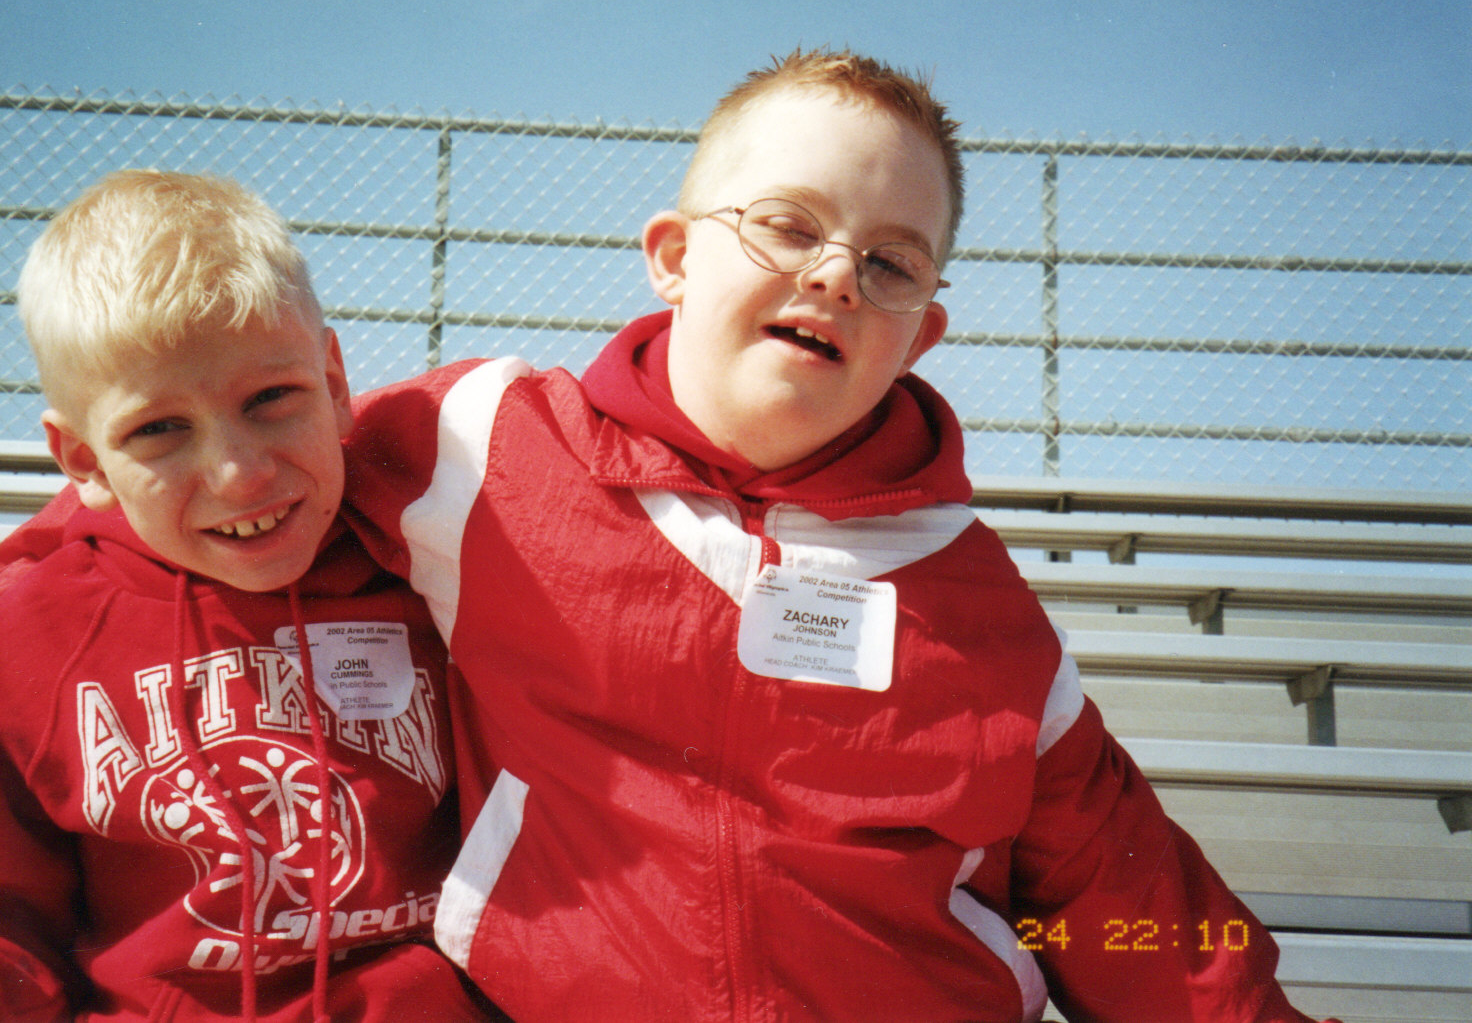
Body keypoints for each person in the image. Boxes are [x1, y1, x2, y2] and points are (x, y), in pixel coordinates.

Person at [342, 50, 1324, 1022]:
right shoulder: (482, 447)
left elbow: (1124, 906)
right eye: (786, 224)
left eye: (889, 262)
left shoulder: (979, 613)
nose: (835, 275)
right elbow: (238, 483)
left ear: (918, 335)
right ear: (674, 257)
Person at [0, 171, 491, 1022]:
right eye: (158, 429)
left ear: (336, 383)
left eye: (271, 399)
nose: (239, 473)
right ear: (82, 459)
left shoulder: (441, 571)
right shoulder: (31, 633)